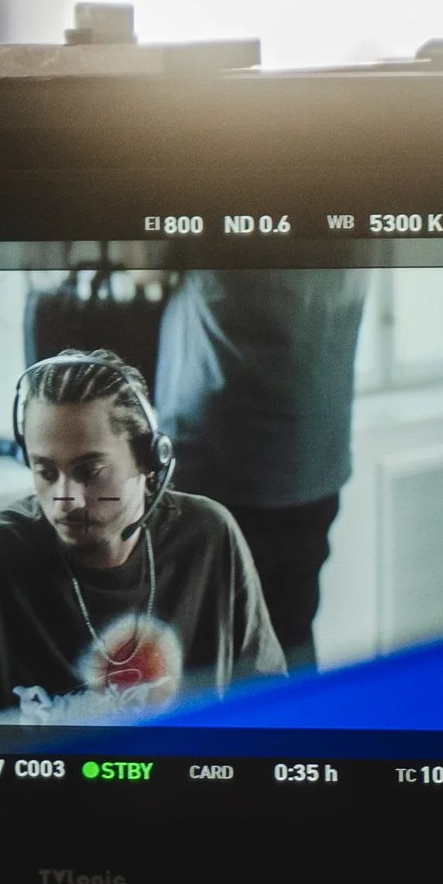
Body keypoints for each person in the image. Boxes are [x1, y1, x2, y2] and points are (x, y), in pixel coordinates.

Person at [0, 350, 282, 726]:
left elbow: (271, 707)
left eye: (89, 471)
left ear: (149, 460)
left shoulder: (208, 536)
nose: (66, 499)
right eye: (45, 471)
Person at [151, 269, 367, 668]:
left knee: (207, 648)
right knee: (291, 633)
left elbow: (143, 266)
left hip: (220, 465)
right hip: (312, 459)